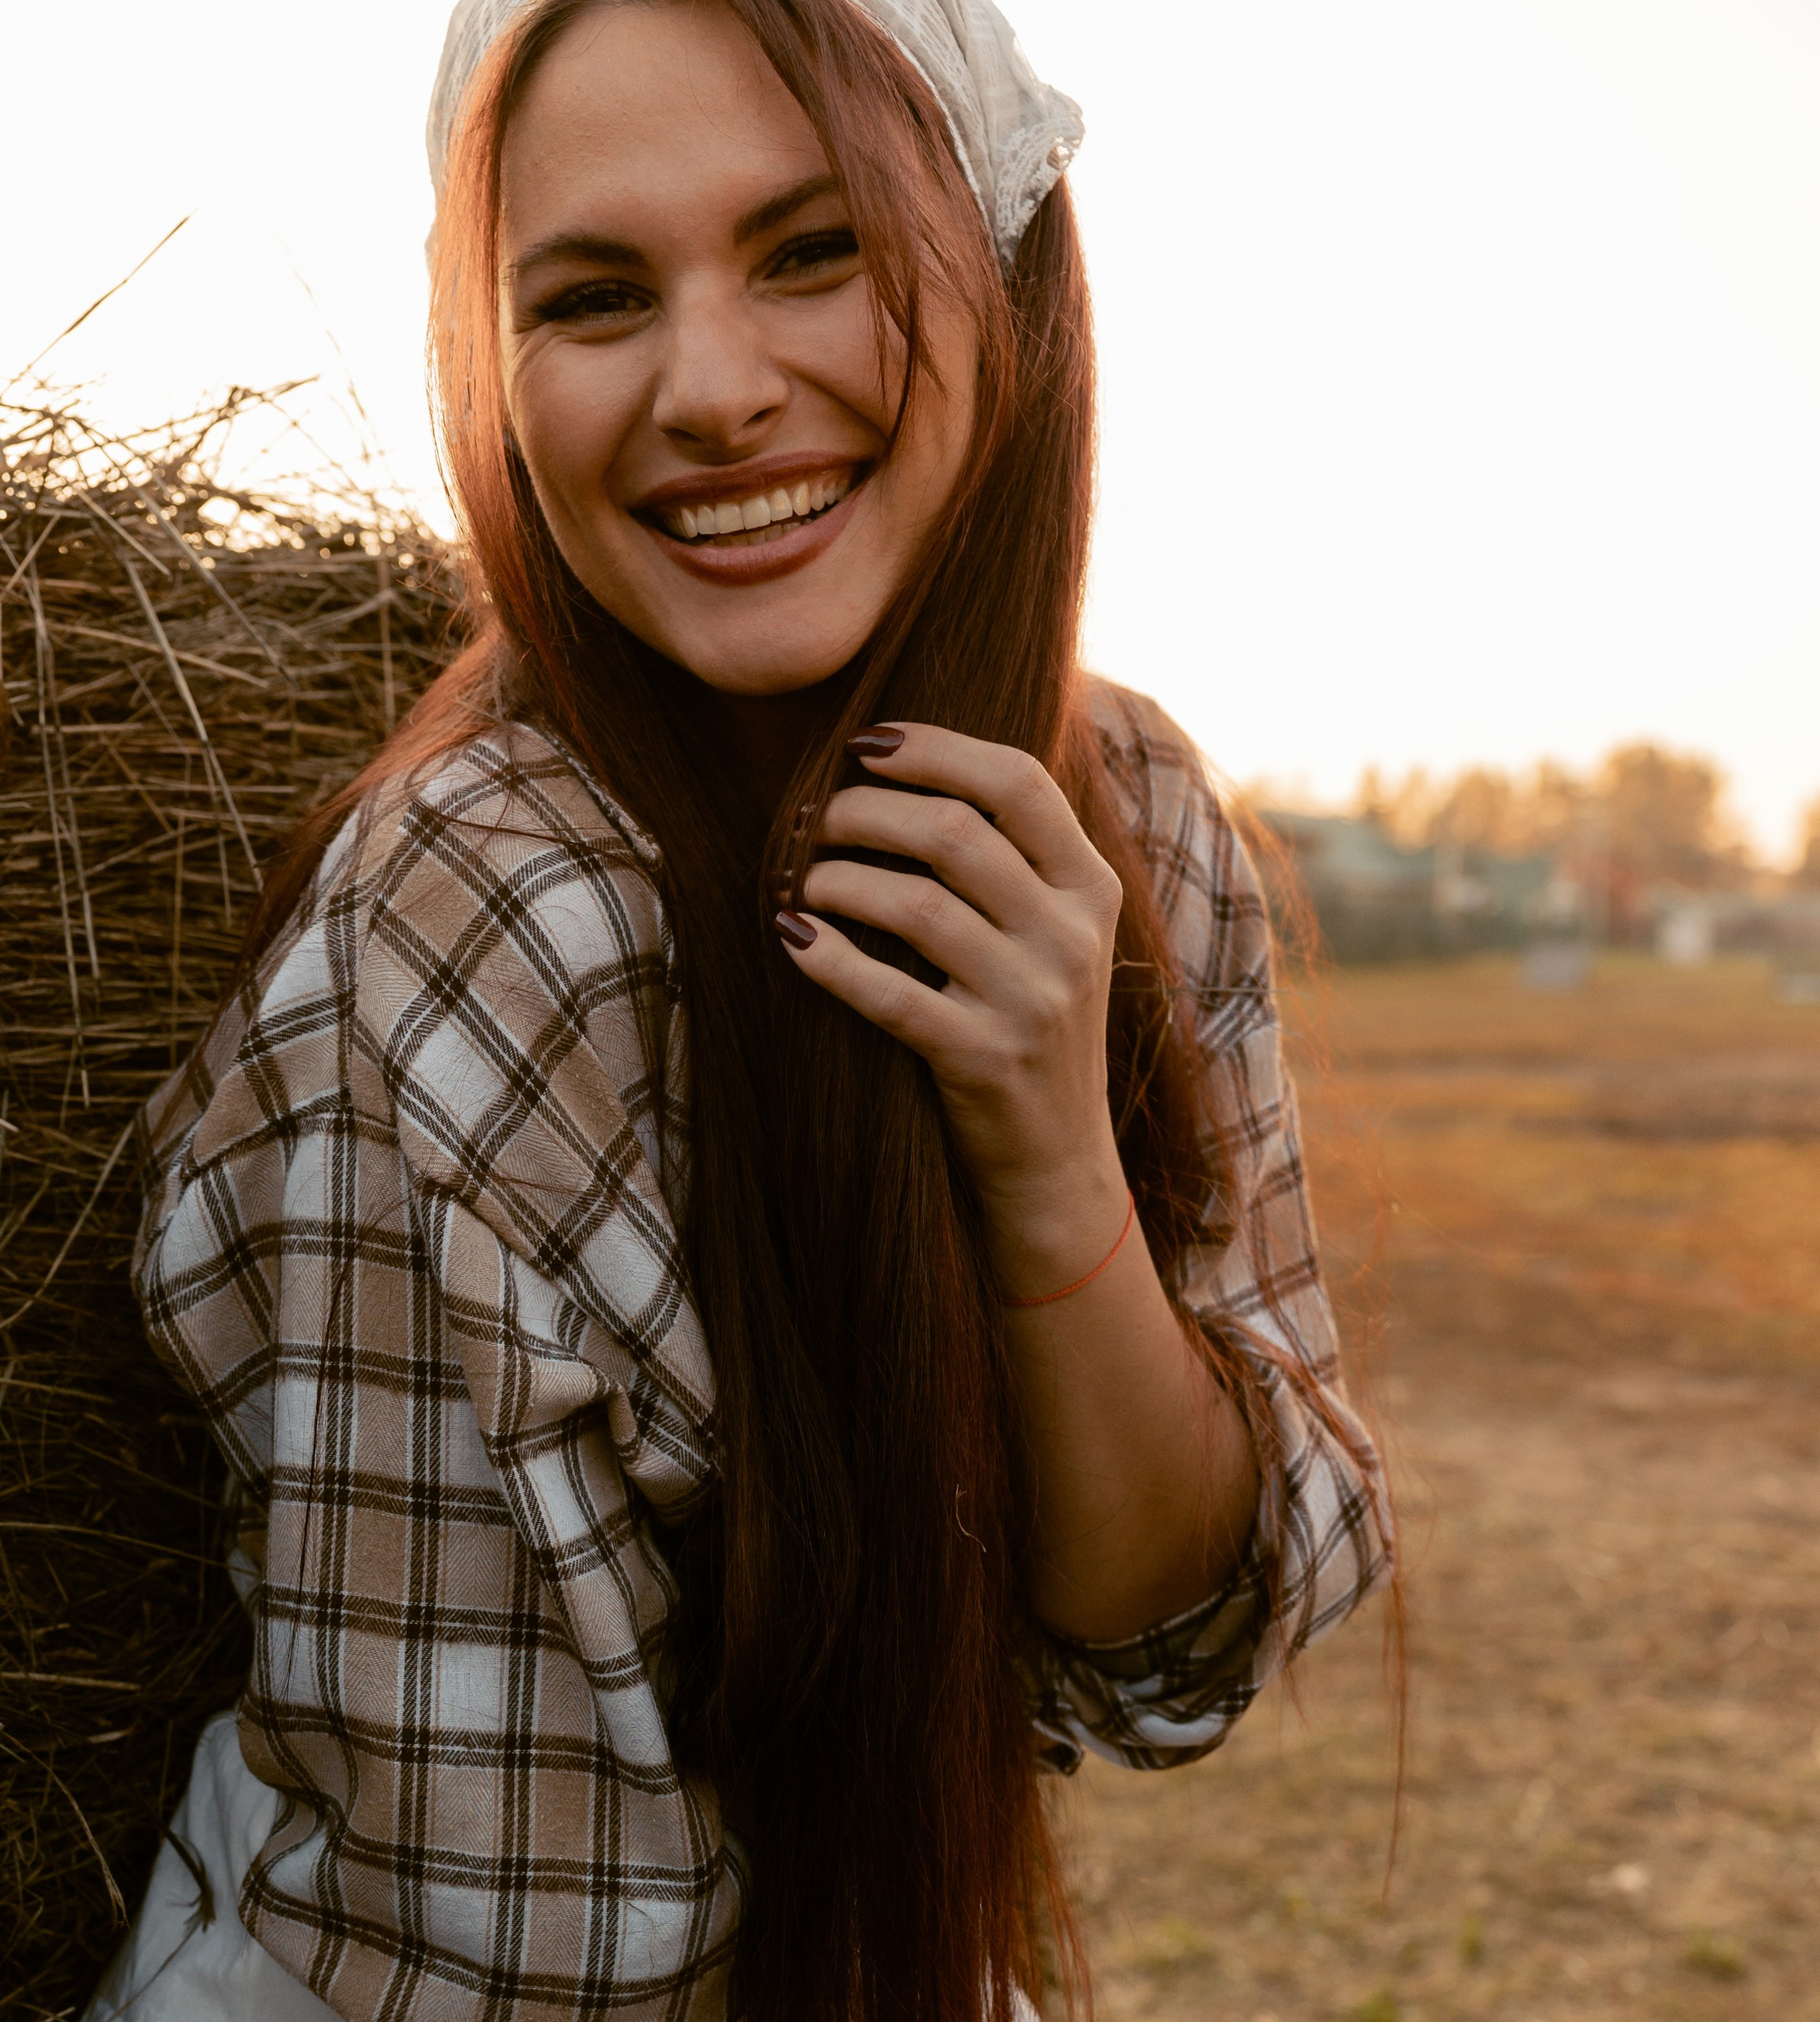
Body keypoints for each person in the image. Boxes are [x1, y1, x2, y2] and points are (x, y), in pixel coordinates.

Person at [89, 2, 1393, 2017]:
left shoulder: (1126, 817)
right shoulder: (486, 909)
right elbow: (498, 1924)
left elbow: (1171, 1642)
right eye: (595, 296)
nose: (713, 390)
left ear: (1006, 253)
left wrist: (1049, 1147)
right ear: (490, 373)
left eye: (814, 248)